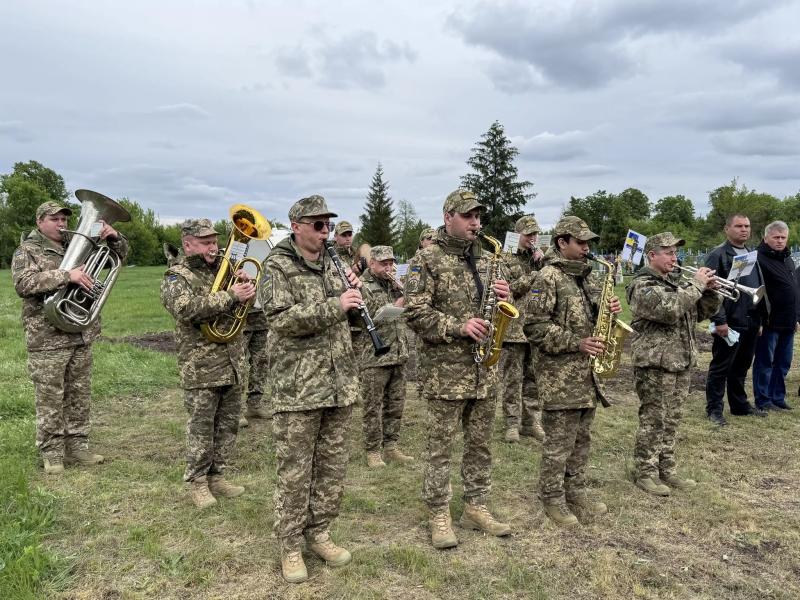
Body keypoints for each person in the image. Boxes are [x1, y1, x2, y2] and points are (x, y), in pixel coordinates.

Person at [261, 195, 361, 583]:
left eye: (329, 226)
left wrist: (356, 301)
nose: (325, 232)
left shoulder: (334, 263)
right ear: (296, 225)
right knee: (295, 471)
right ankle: (289, 545)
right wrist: (336, 304)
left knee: (332, 468)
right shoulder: (278, 266)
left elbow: (347, 322)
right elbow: (281, 319)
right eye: (318, 225)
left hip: (339, 384)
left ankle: (320, 533)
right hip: (299, 387)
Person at [405, 188, 512, 550]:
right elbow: (415, 313)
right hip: (445, 373)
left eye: (478, 216)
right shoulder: (426, 258)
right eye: (468, 216)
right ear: (448, 216)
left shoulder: (486, 258)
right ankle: (438, 512)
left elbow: (495, 309)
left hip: (485, 370)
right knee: (441, 447)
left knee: (480, 445)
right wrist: (458, 326)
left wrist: (503, 299)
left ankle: (475, 506)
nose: (476, 223)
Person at [12, 201, 129, 474]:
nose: (62, 224)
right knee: (50, 397)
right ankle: (52, 452)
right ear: (40, 221)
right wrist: (68, 275)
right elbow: (23, 284)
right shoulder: (26, 250)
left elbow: (120, 255)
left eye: (65, 219)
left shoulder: (76, 243)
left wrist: (115, 237)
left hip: (79, 333)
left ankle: (77, 446)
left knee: (79, 394)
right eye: (55, 219)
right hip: (47, 338)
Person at [525, 215, 621, 526]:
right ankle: (551, 496)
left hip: (587, 375)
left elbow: (593, 321)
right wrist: (576, 342)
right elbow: (535, 328)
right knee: (559, 442)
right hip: (559, 375)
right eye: (580, 242)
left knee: (582, 438)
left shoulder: (589, 278)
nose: (587, 248)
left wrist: (609, 311)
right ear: (561, 242)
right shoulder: (547, 277)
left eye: (589, 243)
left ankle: (575, 490)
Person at [161, 218, 255, 509]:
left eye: (215, 241)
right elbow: (186, 309)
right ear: (188, 244)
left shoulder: (226, 272)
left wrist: (245, 289)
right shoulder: (177, 275)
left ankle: (218, 476)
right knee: (201, 427)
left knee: (227, 426)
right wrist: (230, 295)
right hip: (201, 366)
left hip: (232, 362)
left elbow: (240, 308)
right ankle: (197, 481)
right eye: (205, 242)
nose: (213, 247)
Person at [627, 233, 721, 496]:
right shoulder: (642, 285)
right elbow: (669, 310)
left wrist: (710, 293)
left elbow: (698, 313)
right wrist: (696, 285)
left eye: (675, 252)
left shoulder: (677, 284)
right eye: (667, 252)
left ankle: (666, 469)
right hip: (655, 364)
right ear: (651, 255)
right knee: (653, 420)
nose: (674, 257)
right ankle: (645, 472)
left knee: (672, 420)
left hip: (680, 360)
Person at [703, 214, 767, 425]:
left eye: (747, 226)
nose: (744, 230)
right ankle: (714, 409)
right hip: (729, 321)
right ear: (726, 229)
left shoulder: (750, 252)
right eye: (738, 226)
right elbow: (711, 291)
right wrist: (720, 320)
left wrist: (758, 319)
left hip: (750, 319)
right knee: (721, 367)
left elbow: (756, 286)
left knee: (741, 366)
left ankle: (739, 405)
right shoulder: (718, 254)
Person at [358, 245, 413, 468]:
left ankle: (391, 446)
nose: (389, 267)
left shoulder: (395, 284)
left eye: (391, 263)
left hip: (398, 353)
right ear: (372, 264)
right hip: (375, 356)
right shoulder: (362, 284)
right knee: (373, 406)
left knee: (396, 404)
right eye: (384, 263)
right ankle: (372, 450)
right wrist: (394, 305)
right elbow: (365, 316)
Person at [500, 215, 545, 443]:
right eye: (529, 235)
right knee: (512, 379)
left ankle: (531, 422)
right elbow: (510, 290)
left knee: (533, 379)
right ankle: (511, 423)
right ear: (518, 235)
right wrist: (534, 274)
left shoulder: (539, 260)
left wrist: (542, 265)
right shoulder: (505, 259)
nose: (533, 239)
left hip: (535, 328)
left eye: (535, 234)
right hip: (514, 330)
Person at [753, 221, 799, 411]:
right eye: (776, 237)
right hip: (770, 321)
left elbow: (794, 290)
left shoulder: (787, 259)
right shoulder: (758, 259)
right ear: (766, 238)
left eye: (783, 238)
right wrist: (760, 319)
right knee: (765, 362)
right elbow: (757, 292)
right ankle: (763, 400)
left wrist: (796, 317)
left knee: (783, 363)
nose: (780, 241)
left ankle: (777, 397)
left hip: (788, 321)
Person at [238, 308, 271, 428]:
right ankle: (236, 409)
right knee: (238, 364)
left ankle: (254, 404)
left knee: (261, 361)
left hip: (261, 316)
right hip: (240, 316)